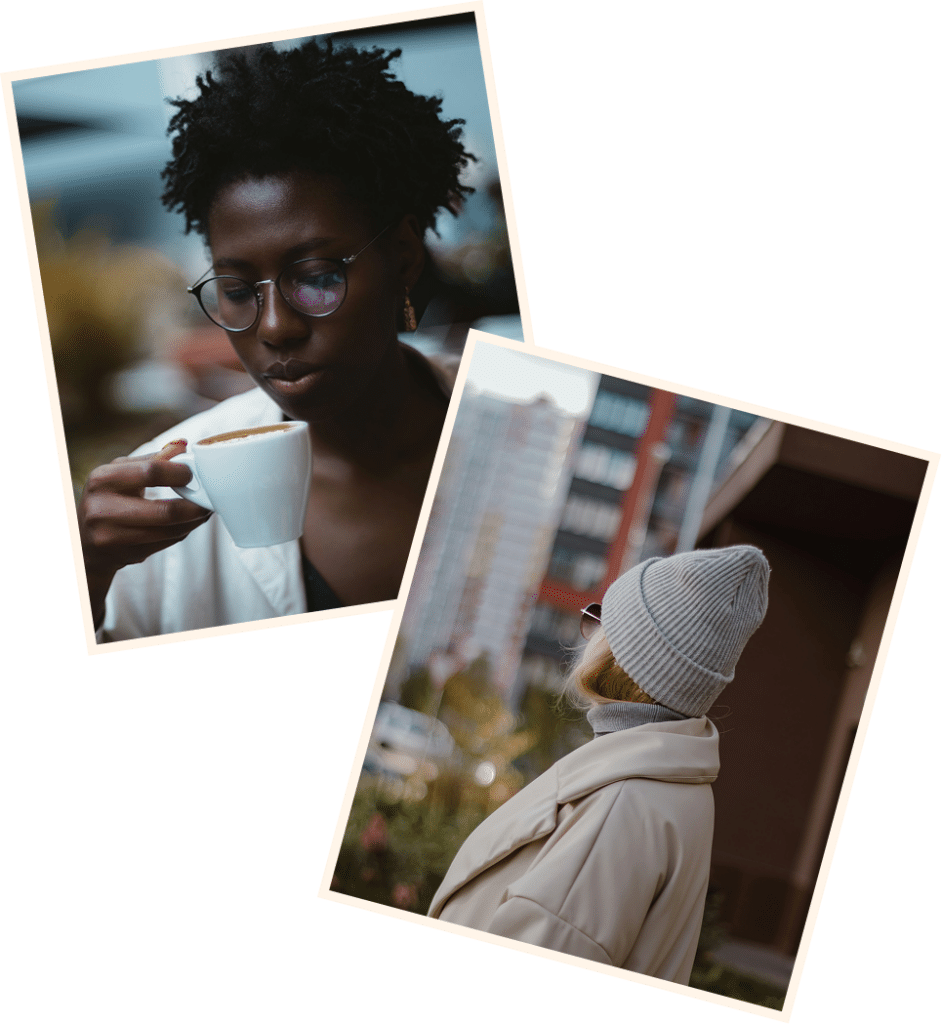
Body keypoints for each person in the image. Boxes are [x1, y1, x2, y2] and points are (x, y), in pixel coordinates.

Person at [78, 39, 476, 641]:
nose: (273, 327)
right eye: (237, 289)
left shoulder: (527, 430)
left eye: (316, 278)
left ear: (403, 256)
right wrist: (84, 582)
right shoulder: (160, 504)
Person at [428, 545, 770, 985]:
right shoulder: (667, 785)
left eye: (601, 622)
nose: (588, 636)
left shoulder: (619, 808)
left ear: (623, 658)